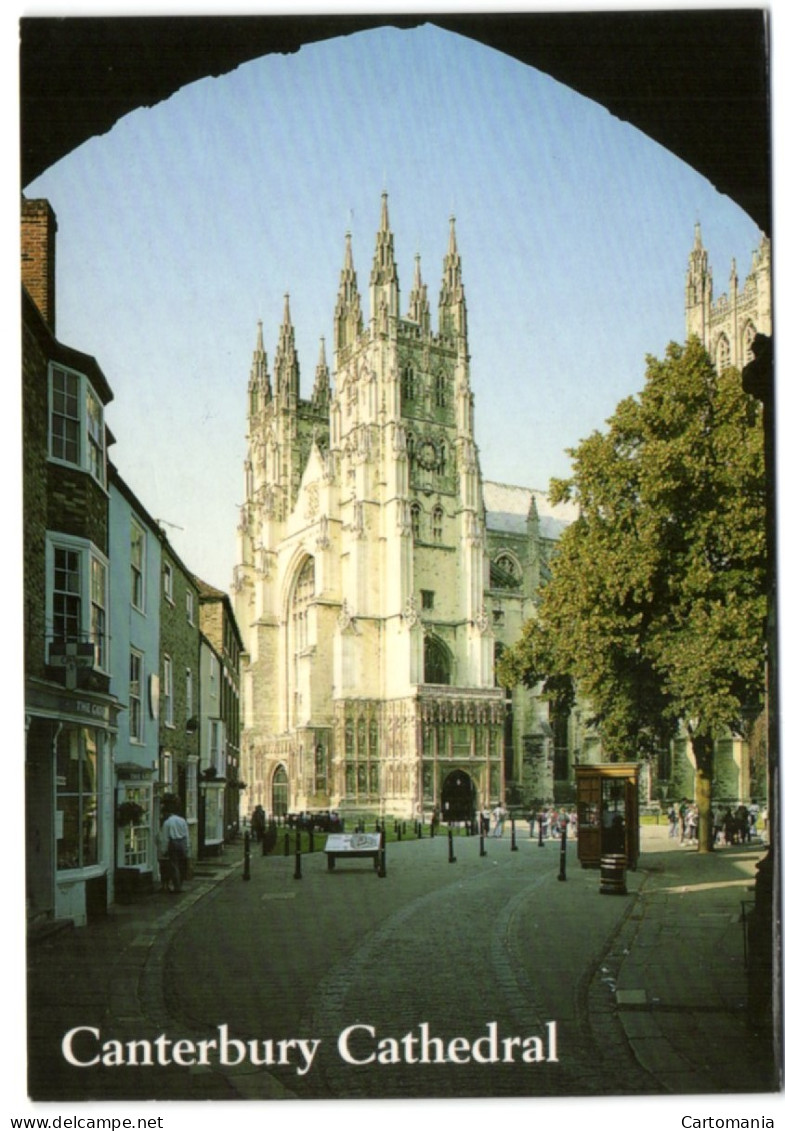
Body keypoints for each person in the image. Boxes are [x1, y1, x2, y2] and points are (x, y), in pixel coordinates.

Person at [160, 801, 190, 892]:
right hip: (183, 842)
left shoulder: (167, 822)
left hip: (173, 843)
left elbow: (165, 838)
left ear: (167, 813)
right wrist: (187, 847)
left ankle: (177, 887)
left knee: (174, 865)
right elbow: (187, 834)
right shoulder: (182, 820)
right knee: (182, 864)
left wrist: (163, 850)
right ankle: (180, 884)